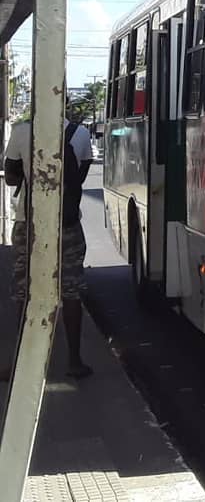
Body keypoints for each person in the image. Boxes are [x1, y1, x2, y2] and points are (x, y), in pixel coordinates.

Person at [2, 117, 94, 380]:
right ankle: (74, 361)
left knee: (24, 292)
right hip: (67, 225)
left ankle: (24, 364)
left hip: (28, 224)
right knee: (71, 291)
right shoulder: (80, 134)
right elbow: (79, 179)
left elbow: (10, 178)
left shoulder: (21, 131)